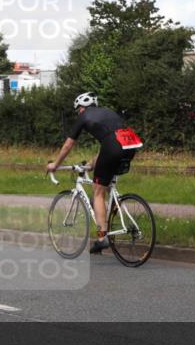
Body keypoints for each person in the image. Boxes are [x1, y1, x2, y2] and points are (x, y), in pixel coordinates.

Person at [46, 92, 142, 253]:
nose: (78, 113)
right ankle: (107, 221)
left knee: (97, 193)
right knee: (104, 185)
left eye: (78, 110)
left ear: (81, 108)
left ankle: (101, 237)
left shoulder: (84, 117)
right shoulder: (109, 112)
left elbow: (68, 145)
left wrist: (55, 164)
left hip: (114, 147)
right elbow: (111, 142)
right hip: (131, 145)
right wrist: (91, 164)